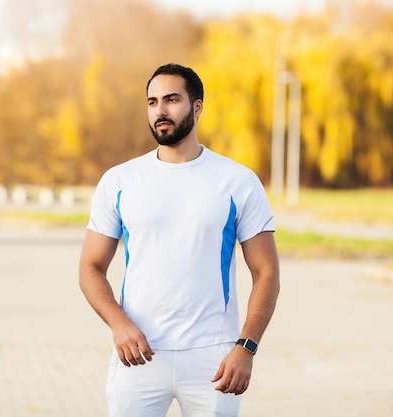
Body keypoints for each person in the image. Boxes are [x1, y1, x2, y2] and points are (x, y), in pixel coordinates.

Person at [79, 63, 280, 417]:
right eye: (152, 102)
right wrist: (119, 324)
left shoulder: (238, 181)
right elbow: (90, 268)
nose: (160, 110)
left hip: (215, 359)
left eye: (171, 100)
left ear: (197, 106)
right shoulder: (119, 180)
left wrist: (246, 347)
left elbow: (266, 273)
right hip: (137, 354)